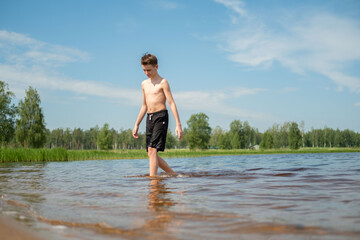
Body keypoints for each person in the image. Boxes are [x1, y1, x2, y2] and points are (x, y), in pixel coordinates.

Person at [132, 53, 183, 177]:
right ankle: (172, 174)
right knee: (150, 152)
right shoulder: (144, 84)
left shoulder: (163, 82)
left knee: (153, 149)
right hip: (149, 117)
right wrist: (136, 124)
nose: (146, 73)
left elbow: (171, 102)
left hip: (161, 116)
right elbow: (144, 105)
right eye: (144, 70)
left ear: (156, 67)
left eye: (149, 70)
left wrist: (178, 124)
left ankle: (153, 180)